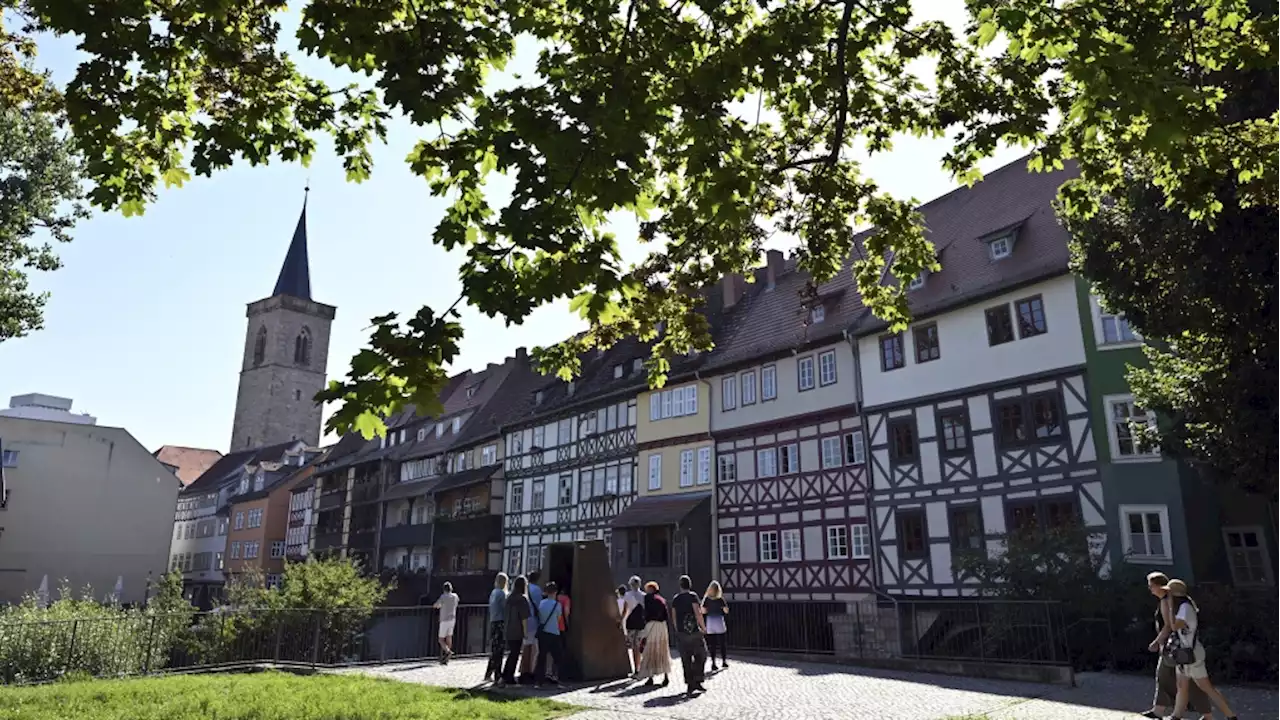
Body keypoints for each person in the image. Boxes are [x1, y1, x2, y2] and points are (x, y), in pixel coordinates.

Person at [1164, 579, 1238, 720]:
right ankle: (1176, 716)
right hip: (1184, 653)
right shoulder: (1182, 607)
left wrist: (1169, 607)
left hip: (1192, 653)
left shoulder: (1185, 608)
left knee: (1206, 687)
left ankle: (1231, 716)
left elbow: (1174, 626)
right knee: (1182, 685)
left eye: (1168, 593)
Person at [1142, 572, 1212, 719]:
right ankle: (1163, 710)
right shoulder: (1168, 600)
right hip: (1175, 645)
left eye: (1151, 586)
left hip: (1175, 646)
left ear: (1159, 586)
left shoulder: (1167, 602)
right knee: (1172, 678)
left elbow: (1168, 625)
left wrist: (1157, 642)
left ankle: (1202, 713)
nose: (1150, 589)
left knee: (1173, 677)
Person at [671, 575, 708, 695]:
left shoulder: (676, 598)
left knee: (685, 659)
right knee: (701, 655)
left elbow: (674, 616)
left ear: (680, 585)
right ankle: (697, 679)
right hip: (694, 631)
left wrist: (677, 629)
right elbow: (698, 613)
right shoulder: (693, 596)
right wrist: (703, 627)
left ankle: (689, 683)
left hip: (682, 632)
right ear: (690, 584)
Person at [498, 576, 532, 687]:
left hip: (508, 629)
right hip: (517, 630)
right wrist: (526, 632)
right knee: (515, 654)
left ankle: (505, 676)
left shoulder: (509, 598)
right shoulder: (522, 599)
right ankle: (509, 677)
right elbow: (524, 618)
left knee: (511, 654)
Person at [636, 581, 671, 687]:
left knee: (649, 650)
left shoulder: (647, 599)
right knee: (662, 649)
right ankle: (665, 676)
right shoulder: (662, 599)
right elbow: (666, 614)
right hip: (662, 626)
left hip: (651, 624)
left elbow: (645, 612)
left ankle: (650, 677)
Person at [533, 581, 566, 688]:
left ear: (546, 592)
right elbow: (559, 618)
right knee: (558, 657)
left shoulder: (542, 603)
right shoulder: (557, 605)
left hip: (543, 634)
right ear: (555, 592)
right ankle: (558, 679)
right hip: (554, 633)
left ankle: (539, 681)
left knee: (542, 657)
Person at [485, 573, 509, 683]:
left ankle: (489, 673)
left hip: (493, 621)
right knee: (499, 650)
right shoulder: (502, 594)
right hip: (500, 622)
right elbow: (505, 608)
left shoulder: (493, 593)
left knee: (494, 649)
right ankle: (498, 675)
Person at [520, 569, 543, 684]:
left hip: (524, 620)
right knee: (534, 648)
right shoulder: (537, 590)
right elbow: (539, 606)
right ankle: (531, 671)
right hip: (533, 620)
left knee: (525, 647)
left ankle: (523, 671)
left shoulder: (525, 588)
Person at [620, 575, 646, 675]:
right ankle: (642, 668)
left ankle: (636, 669)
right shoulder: (643, 596)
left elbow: (625, 610)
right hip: (641, 623)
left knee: (634, 647)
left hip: (631, 623)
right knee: (640, 646)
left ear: (630, 584)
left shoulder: (627, 595)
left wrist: (621, 620)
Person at [702, 580, 729, 670]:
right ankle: (724, 661)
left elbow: (703, 611)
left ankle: (713, 663)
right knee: (722, 642)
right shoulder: (720, 599)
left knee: (712, 644)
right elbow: (726, 611)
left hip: (710, 621)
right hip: (719, 621)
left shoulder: (707, 599)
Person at [433, 581, 459, 664]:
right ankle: (446, 659)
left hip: (444, 620)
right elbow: (456, 603)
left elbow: (436, 605)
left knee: (440, 639)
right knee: (449, 637)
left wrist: (438, 606)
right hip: (452, 619)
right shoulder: (455, 596)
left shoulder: (443, 597)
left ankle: (448, 651)